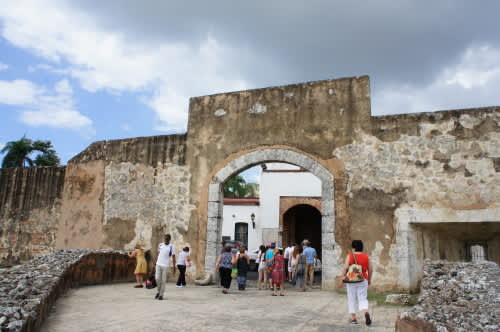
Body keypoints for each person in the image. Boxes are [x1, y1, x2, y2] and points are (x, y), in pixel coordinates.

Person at [341, 240, 373, 326]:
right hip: (363, 279)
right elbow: (370, 269)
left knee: (352, 298)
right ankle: (366, 312)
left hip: (351, 280)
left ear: (353, 248)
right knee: (362, 298)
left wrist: (343, 276)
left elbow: (345, 267)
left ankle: (354, 319)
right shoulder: (366, 257)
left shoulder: (350, 256)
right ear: (362, 247)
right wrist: (369, 279)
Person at [155, 234, 176, 300]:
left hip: (165, 265)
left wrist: (174, 267)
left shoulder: (171, 246)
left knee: (163, 280)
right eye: (165, 239)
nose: (165, 240)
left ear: (169, 239)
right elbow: (159, 254)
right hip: (158, 264)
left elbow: (173, 257)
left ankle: (161, 295)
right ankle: (158, 291)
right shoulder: (160, 245)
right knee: (157, 278)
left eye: (167, 239)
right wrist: (155, 264)